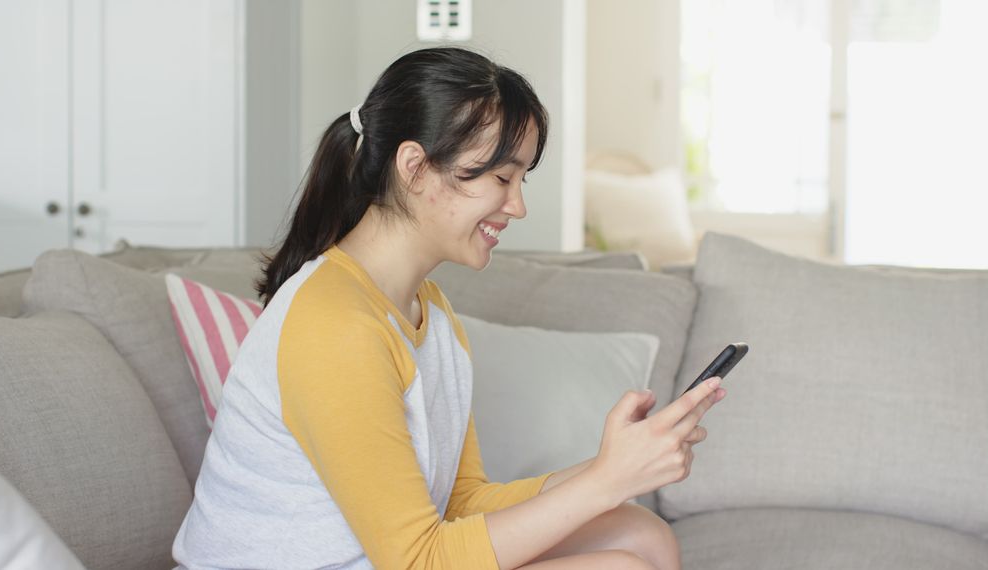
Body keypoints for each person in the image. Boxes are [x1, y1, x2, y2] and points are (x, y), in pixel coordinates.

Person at [172, 46, 726, 570]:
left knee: (641, 532)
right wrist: (604, 481)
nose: (518, 205)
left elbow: (461, 501)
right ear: (414, 167)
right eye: (500, 177)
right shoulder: (333, 325)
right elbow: (418, 560)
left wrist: (617, 468)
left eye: (522, 179)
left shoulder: (428, 314)